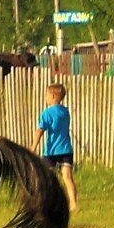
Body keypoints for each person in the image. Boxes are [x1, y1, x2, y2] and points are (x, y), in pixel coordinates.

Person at [32, 82, 79, 215]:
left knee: (47, 177)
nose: (45, 98)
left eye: (46, 95)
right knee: (68, 177)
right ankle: (73, 203)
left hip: (51, 151)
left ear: (53, 96)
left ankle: (48, 202)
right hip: (66, 149)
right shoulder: (65, 112)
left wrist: (33, 146)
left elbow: (39, 131)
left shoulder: (46, 113)